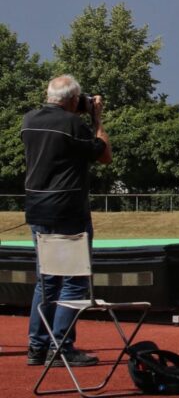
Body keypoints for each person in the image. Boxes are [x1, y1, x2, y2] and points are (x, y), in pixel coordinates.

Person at [21, 75, 112, 367]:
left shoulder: (29, 120)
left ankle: (37, 347)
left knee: (45, 281)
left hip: (37, 209)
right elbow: (104, 155)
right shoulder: (74, 125)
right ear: (73, 100)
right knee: (74, 281)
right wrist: (96, 118)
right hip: (68, 212)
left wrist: (79, 109)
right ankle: (61, 347)